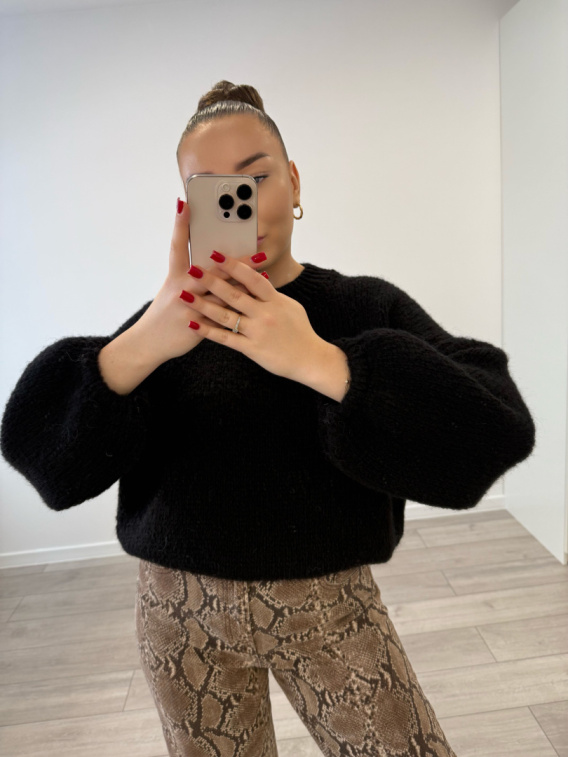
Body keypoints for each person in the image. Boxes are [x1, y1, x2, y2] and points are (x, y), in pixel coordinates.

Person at [0, 80, 536, 757]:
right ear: (186, 207)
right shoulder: (164, 325)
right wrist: (140, 347)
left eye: (257, 179)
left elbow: (496, 426)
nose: (240, 204)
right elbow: (42, 455)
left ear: (295, 181)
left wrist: (321, 361)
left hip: (330, 605)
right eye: (212, 190)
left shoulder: (360, 306)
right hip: (180, 615)